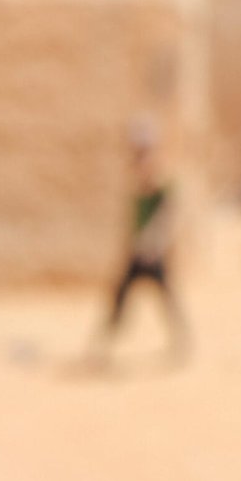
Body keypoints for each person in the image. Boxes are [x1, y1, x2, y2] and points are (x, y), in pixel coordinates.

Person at [87, 113, 188, 366]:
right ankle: (104, 347)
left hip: (152, 251)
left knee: (165, 297)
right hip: (138, 250)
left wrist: (156, 241)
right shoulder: (139, 173)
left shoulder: (157, 174)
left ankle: (180, 344)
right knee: (123, 296)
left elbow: (167, 211)